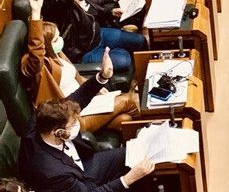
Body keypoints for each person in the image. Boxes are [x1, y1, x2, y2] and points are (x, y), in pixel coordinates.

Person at [17, 47, 156, 192]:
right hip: (78, 181)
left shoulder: (41, 117)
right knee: (134, 174)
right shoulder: (53, 173)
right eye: (73, 123)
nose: (77, 123)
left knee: (137, 155)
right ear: (59, 132)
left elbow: (77, 99)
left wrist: (102, 76)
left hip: (83, 164)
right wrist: (127, 180)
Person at [23, 0, 139, 133]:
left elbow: (78, 78)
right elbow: (36, 53)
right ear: (45, 45)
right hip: (69, 118)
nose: (60, 40)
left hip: (85, 103)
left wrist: (94, 88)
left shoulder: (58, 54)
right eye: (55, 39)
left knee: (125, 120)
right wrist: (35, 13)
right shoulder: (39, 68)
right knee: (130, 100)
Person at [43, 0, 147, 70]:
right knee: (124, 59)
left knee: (140, 41)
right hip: (85, 51)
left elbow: (93, 8)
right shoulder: (55, 4)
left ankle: (114, 50)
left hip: (98, 35)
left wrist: (111, 12)